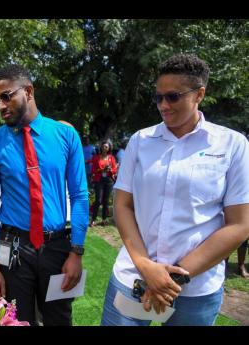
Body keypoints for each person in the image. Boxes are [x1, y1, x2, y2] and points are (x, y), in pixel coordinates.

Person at [100, 53, 249, 326]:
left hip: (196, 290)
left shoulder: (232, 145)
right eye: (158, 97)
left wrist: (172, 278)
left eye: (173, 97)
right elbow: (122, 206)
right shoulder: (141, 141)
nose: (163, 105)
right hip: (133, 277)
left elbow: (239, 225)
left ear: (199, 94)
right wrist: (146, 266)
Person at [0, 64, 89, 326]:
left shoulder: (65, 135)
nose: (1, 106)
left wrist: (76, 252)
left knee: (59, 320)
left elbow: (80, 196)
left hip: (58, 247)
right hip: (13, 248)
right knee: (17, 320)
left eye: (7, 96)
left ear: (28, 91)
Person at [90, 141, 117, 226]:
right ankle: (93, 219)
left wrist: (110, 170)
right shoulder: (96, 157)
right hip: (99, 180)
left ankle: (103, 219)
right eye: (104, 146)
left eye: (107, 147)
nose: (105, 148)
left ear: (109, 148)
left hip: (109, 181)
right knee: (98, 200)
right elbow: (93, 170)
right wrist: (101, 170)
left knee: (105, 201)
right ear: (101, 147)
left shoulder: (111, 158)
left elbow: (115, 169)